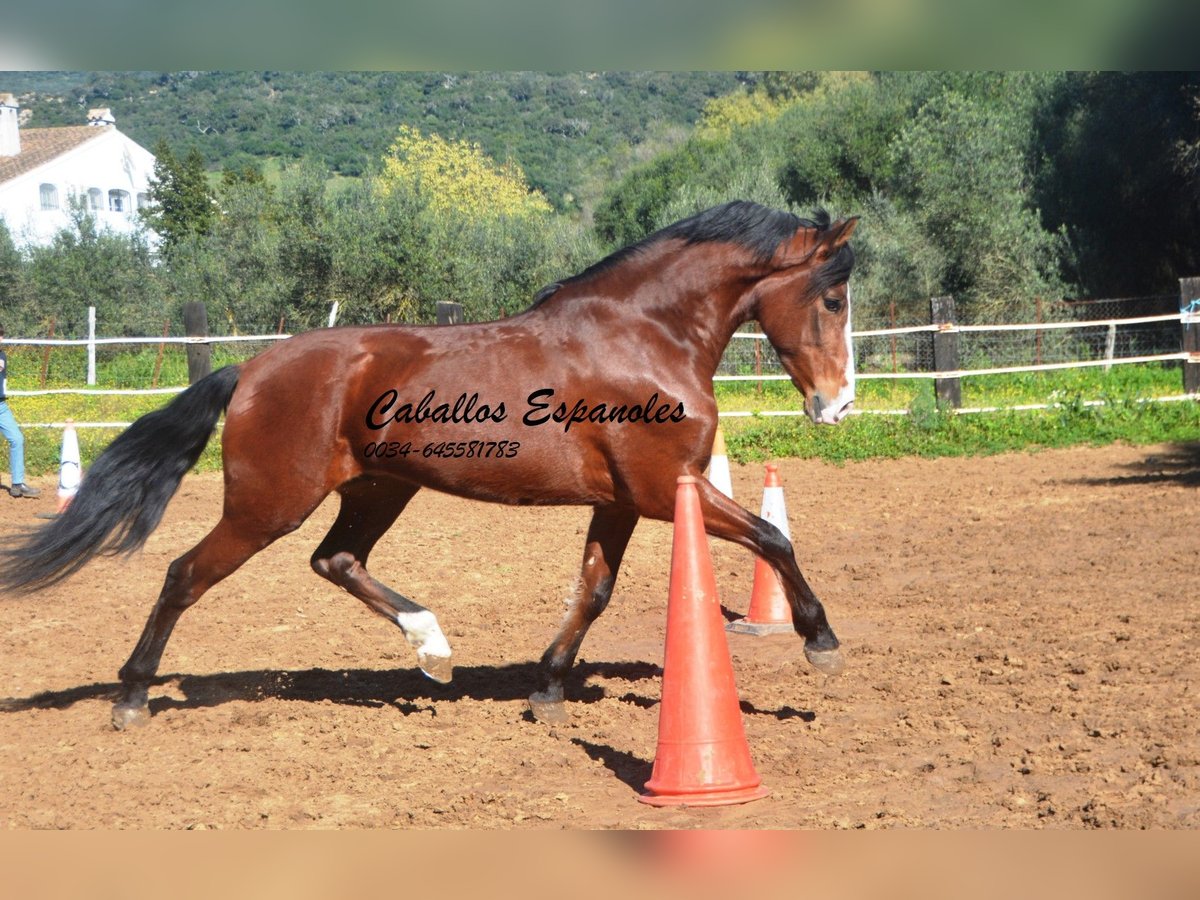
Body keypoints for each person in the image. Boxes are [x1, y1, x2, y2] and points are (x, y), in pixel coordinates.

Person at [0, 324, 41, 498]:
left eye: (1, 335)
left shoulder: (2, 355)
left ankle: (17, 484)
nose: (0, 339)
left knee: (17, 438)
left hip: (1, 406)